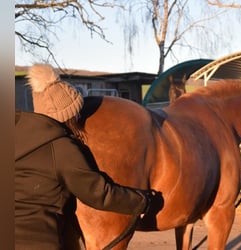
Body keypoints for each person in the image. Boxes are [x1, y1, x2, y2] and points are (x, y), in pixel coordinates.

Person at [15, 64, 153, 250]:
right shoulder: (61, 148)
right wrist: (142, 201)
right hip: (41, 242)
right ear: (67, 116)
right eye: (76, 113)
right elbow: (99, 194)